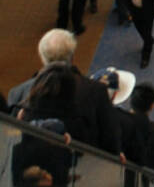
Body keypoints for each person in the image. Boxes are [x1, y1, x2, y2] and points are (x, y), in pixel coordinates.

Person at [8, 29, 122, 157]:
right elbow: (109, 138)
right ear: (72, 57)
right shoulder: (96, 91)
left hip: (31, 162)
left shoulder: (18, 92)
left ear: (42, 57)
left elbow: (9, 137)